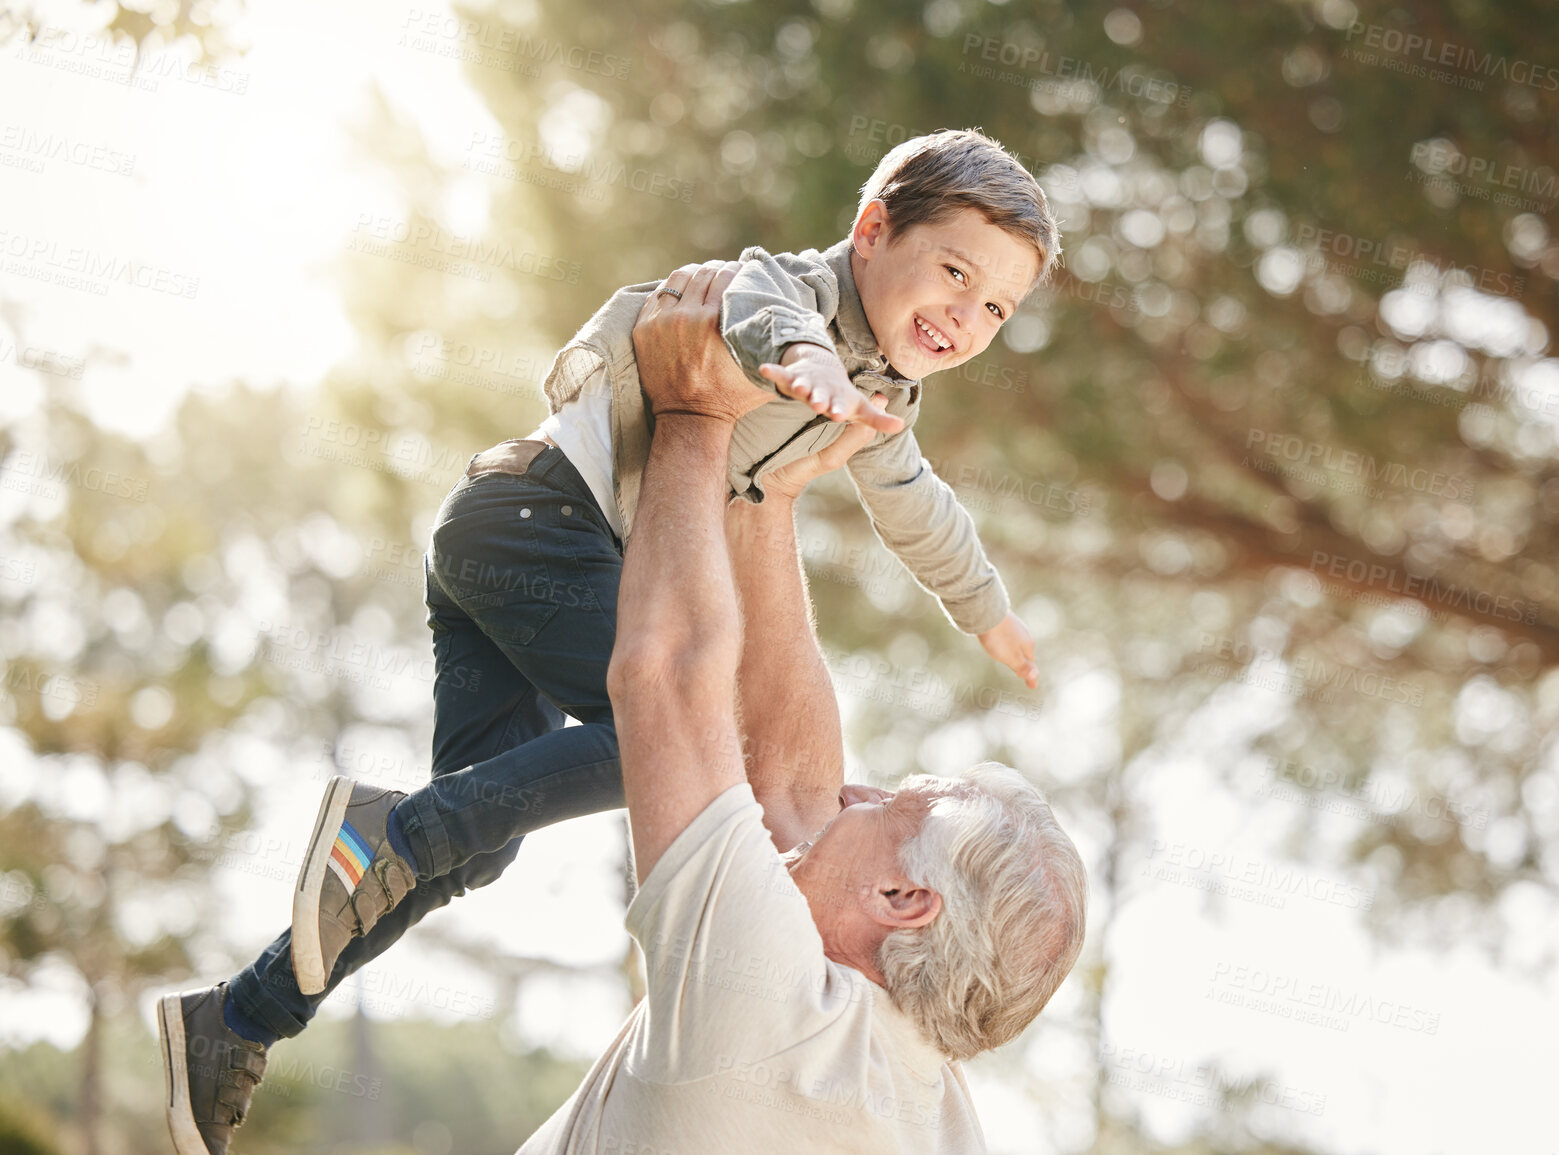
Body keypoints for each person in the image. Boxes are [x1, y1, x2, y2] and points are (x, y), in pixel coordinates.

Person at [156, 126, 1061, 1155]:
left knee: (481, 847)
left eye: (997, 307)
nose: (967, 316)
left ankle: (236, 1019)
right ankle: (385, 831)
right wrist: (807, 364)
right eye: (954, 273)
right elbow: (760, 320)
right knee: (669, 740)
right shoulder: (785, 294)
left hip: (531, 556)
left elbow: (917, 505)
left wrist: (985, 608)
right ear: (871, 233)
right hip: (536, 525)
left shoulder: (886, 398)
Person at [513, 262, 1085, 1153]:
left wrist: (695, 419)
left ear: (902, 896)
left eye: (889, 800)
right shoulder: (923, 1100)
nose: (854, 789)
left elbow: (662, 673)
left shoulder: (764, 1009)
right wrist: (764, 498)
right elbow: (790, 785)